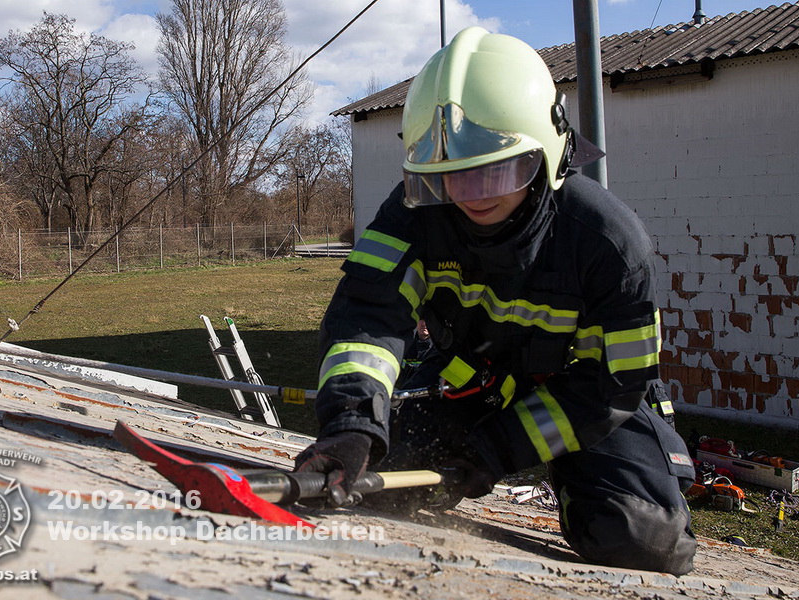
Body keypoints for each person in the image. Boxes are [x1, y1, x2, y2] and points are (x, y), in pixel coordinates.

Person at [294, 27, 696, 576]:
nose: (474, 193)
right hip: (470, 382)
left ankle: (582, 485)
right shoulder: (414, 214)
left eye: (498, 169)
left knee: (640, 537)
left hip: (589, 404)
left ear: (549, 156)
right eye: (451, 176)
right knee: (373, 484)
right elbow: (368, 317)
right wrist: (352, 424)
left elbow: (611, 385)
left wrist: (496, 450)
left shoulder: (610, 243)